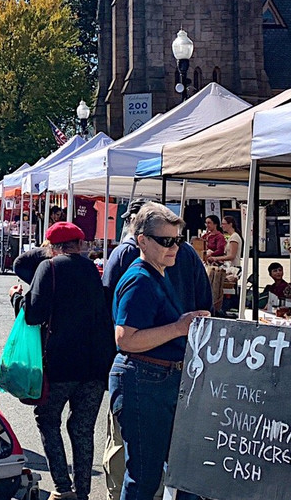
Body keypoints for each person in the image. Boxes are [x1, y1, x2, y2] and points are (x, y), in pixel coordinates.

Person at [101, 200, 211, 500]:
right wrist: (178, 327)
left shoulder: (157, 271)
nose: (174, 247)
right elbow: (124, 339)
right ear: (143, 242)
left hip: (157, 377)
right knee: (145, 477)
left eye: (177, 240)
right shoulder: (140, 279)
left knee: (173, 471)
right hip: (143, 378)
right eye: (165, 241)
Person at [9, 221, 115, 500]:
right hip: (94, 366)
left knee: (47, 420)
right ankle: (83, 492)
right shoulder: (93, 270)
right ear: (79, 245)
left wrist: (18, 298)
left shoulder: (50, 267)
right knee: (82, 429)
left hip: (59, 364)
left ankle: (62, 487)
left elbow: (34, 315)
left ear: (51, 247)